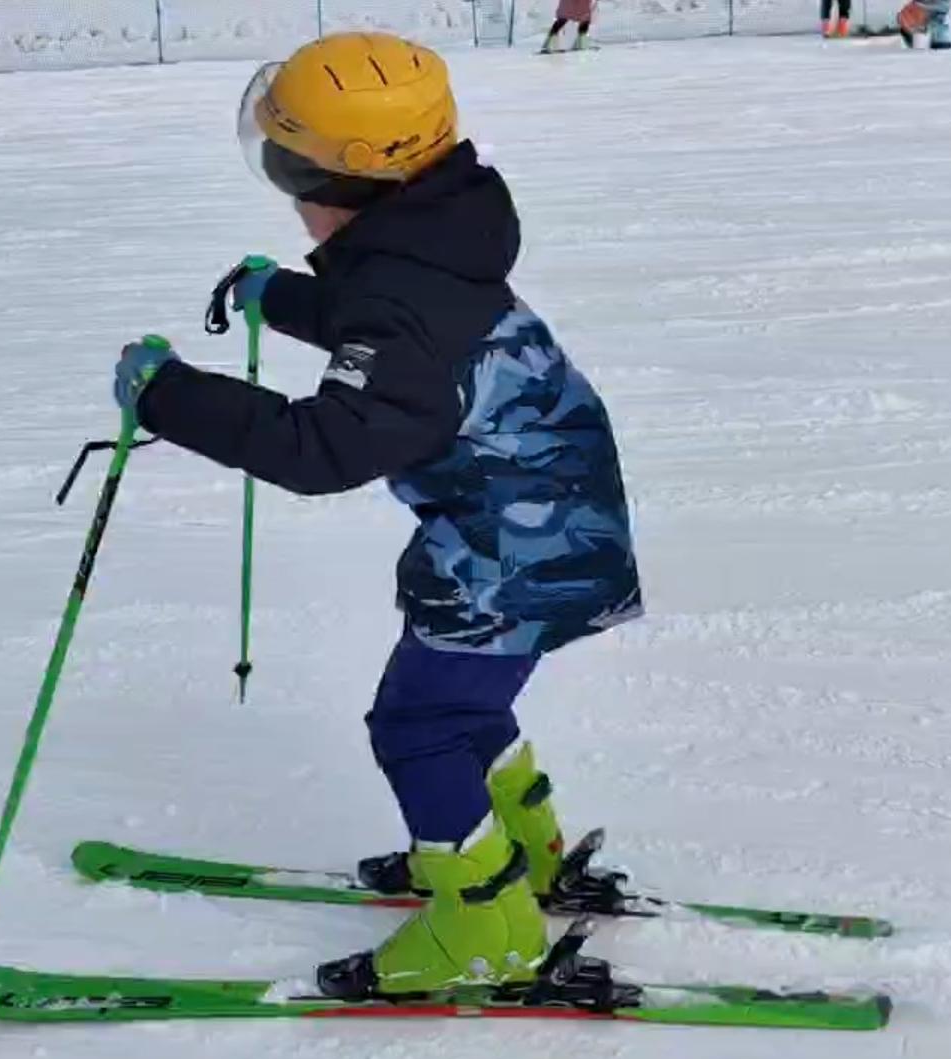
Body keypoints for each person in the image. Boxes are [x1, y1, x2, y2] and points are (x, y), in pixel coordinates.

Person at [113, 32, 642, 1000]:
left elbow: (328, 447)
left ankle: (484, 924)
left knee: (422, 724)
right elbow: (393, 326)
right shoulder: (447, 234)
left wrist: (167, 396)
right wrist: (289, 300)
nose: (286, 191)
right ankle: (522, 852)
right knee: (463, 707)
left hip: (515, 550)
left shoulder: (402, 290)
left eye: (288, 168)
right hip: (548, 526)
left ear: (342, 181)